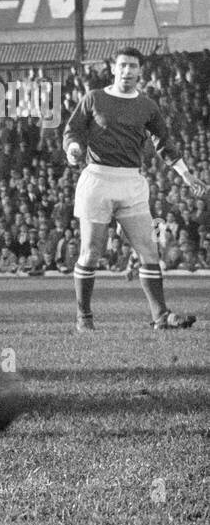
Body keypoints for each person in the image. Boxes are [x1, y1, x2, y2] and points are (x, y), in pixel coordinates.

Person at [63, 47, 207, 331]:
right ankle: (84, 317)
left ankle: (161, 316)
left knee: (149, 251)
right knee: (91, 253)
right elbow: (73, 130)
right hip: (98, 181)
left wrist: (187, 176)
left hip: (132, 182)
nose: (128, 71)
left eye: (133, 66)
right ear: (113, 69)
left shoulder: (148, 106)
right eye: (123, 65)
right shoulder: (94, 98)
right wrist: (74, 148)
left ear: (141, 71)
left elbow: (165, 144)